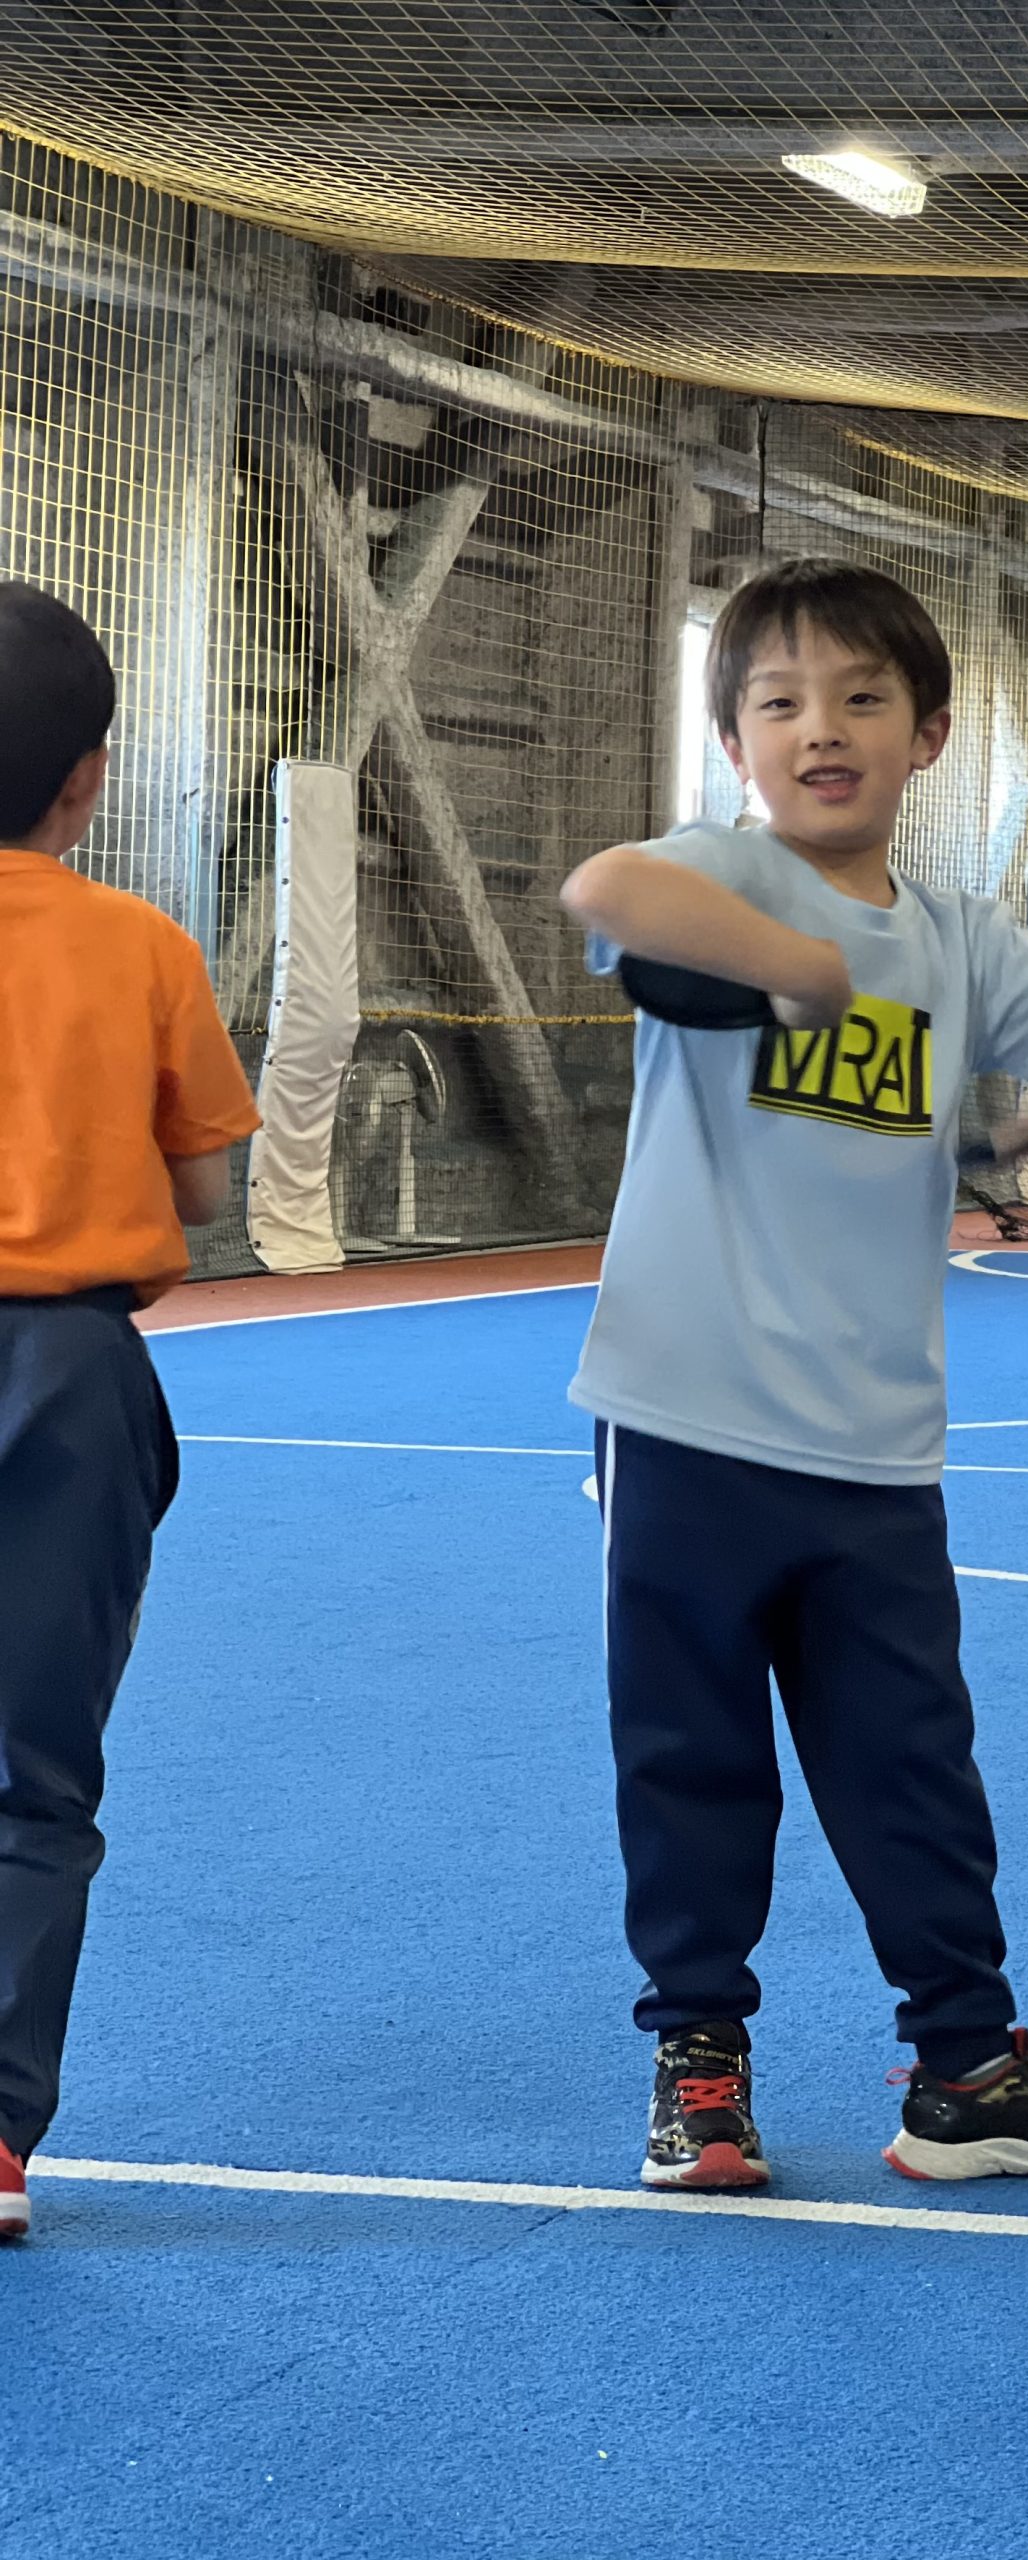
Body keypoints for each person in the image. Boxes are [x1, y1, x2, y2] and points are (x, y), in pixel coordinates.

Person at [561, 557, 1028, 2192]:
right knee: (689, 1753)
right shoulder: (718, 870)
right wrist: (801, 967)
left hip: (877, 1442)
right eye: (776, 701)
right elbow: (606, 892)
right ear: (736, 739)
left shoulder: (964, 941)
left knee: (912, 1764)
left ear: (927, 733)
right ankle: (698, 2066)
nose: (818, 728)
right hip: (686, 1417)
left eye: (859, 697)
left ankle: (967, 2066)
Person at [0, 584, 260, 2243]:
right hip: (71, 1376)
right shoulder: (147, 950)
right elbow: (217, 1190)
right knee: (32, 1773)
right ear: (90, 777)